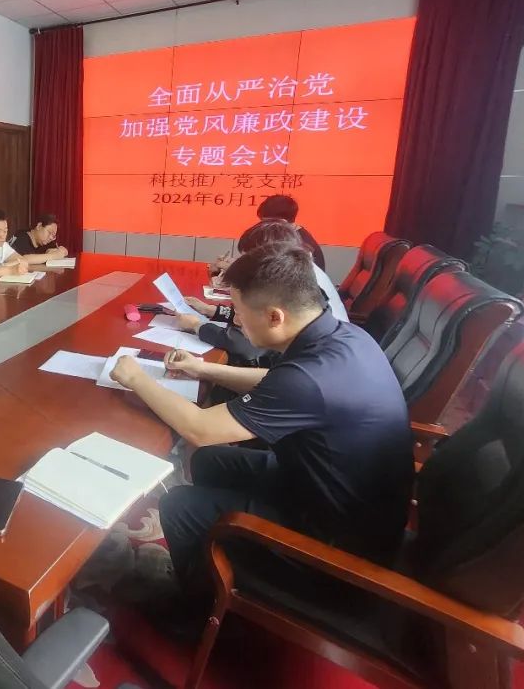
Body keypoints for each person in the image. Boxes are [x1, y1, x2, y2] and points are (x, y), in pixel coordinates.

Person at [110, 245, 411, 607]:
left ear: (274, 317)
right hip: (330, 496)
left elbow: (200, 429)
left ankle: (193, 610)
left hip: (336, 552)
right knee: (210, 461)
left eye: (238, 311)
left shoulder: (309, 380)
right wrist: (203, 369)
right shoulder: (343, 337)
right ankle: (207, 561)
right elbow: (277, 381)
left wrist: (137, 378)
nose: (235, 320)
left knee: (179, 504)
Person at [176, 220, 348, 369]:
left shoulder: (292, 285)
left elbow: (245, 344)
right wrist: (212, 310)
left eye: (249, 259)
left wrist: (198, 326)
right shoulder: (298, 272)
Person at [233, 194, 325, 271]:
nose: (262, 227)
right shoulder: (293, 237)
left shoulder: (298, 246)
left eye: (265, 222)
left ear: (280, 221)